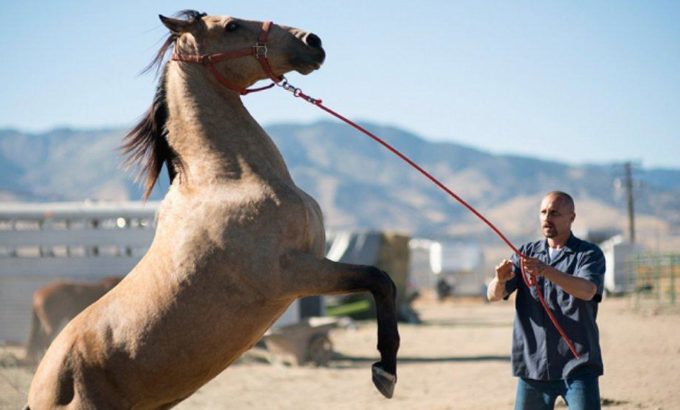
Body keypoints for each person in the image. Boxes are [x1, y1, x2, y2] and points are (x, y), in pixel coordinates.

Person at [487, 191, 606, 410]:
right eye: (543, 212)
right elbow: (493, 295)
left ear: (572, 217)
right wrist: (499, 280)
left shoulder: (589, 254)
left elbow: (588, 290)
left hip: (578, 366)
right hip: (534, 368)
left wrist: (546, 271)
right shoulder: (524, 253)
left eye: (555, 213)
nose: (547, 218)